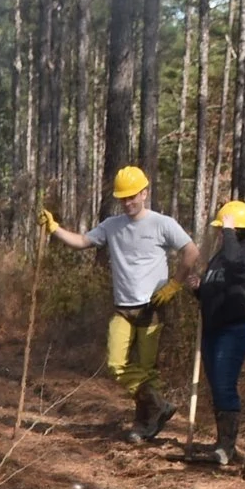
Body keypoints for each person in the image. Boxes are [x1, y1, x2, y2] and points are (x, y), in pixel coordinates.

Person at [42, 166, 200, 444]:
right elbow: (82, 241)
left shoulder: (162, 224)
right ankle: (159, 405)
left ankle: (144, 425)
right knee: (116, 364)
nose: (127, 203)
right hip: (123, 308)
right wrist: (55, 229)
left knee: (147, 370)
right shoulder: (112, 225)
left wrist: (175, 284)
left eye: (132, 197)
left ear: (144, 193)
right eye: (123, 198)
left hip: (152, 307)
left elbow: (191, 251)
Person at [190, 200, 245, 466]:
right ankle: (222, 442)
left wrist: (229, 231)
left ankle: (227, 446)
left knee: (224, 384)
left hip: (234, 329)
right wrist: (199, 288)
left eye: (224, 229)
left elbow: (234, 260)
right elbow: (218, 287)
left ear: (236, 229)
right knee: (216, 385)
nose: (220, 233)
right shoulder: (221, 254)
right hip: (213, 328)